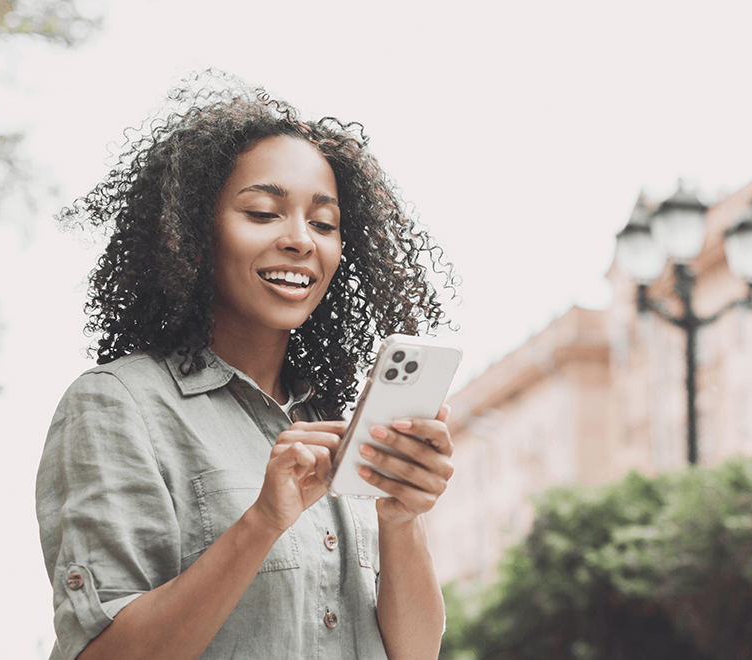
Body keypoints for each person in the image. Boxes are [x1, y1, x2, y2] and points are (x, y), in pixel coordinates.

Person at [36, 72, 459, 660]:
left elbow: (414, 652)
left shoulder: (334, 423)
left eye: (324, 223)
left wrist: (400, 516)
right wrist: (261, 523)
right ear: (191, 234)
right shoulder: (118, 405)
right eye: (262, 212)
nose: (300, 240)